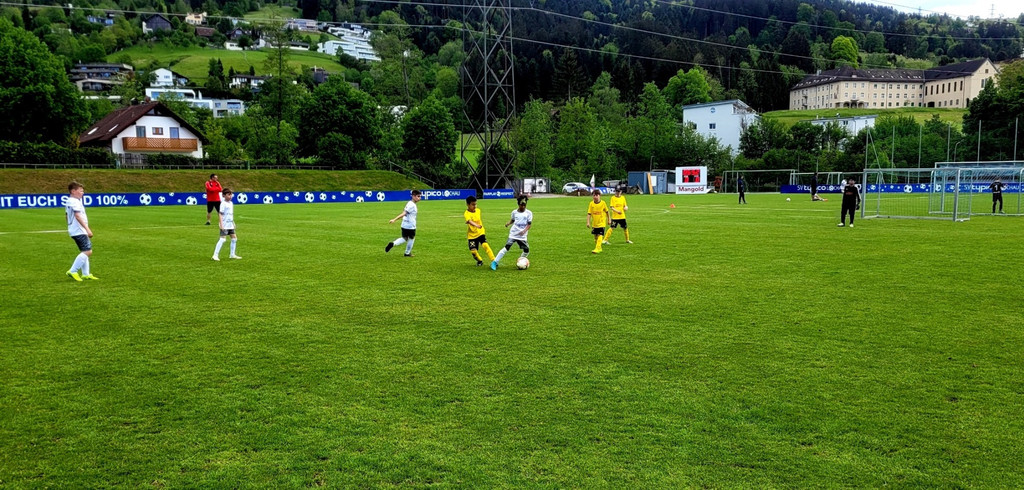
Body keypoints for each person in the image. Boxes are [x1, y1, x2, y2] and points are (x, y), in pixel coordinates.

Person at [65, 181, 98, 281]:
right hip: (79, 230)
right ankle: (73, 270)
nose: (82, 193)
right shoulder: (74, 201)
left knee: (84, 251)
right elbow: (77, 215)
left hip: (75, 229)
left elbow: (66, 216)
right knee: (88, 251)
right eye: (81, 191)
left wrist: (70, 226)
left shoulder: (70, 201)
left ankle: (85, 274)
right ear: (73, 191)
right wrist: (87, 229)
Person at [490, 195, 532, 270]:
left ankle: (521, 261)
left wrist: (524, 231)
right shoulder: (514, 212)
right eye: (522, 205)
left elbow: (529, 225)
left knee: (526, 250)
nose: (523, 206)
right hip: (513, 233)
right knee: (507, 247)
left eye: (524, 205)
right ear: (518, 204)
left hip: (522, 236)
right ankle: (495, 262)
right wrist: (508, 223)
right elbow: (513, 220)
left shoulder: (529, 213)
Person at [386, 190, 421, 257]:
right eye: (418, 196)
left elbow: (404, 212)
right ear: (413, 196)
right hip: (410, 226)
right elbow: (404, 213)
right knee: (411, 238)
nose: (419, 198)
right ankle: (407, 253)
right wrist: (394, 219)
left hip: (404, 225)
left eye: (420, 196)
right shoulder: (412, 205)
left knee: (405, 238)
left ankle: (393, 243)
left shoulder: (409, 203)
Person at [464, 195, 496, 266]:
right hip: (471, 235)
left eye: (475, 204)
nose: (475, 206)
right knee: (473, 252)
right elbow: (469, 220)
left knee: (485, 245)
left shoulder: (478, 211)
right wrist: (476, 225)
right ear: (468, 205)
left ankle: (494, 260)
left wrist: (476, 225)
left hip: (480, 232)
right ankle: (479, 261)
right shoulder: (466, 213)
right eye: (473, 204)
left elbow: (470, 220)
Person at [212, 188, 241, 260]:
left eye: (231, 194)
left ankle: (232, 254)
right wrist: (221, 224)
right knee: (222, 239)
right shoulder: (223, 204)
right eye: (228, 194)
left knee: (234, 239)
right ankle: (215, 255)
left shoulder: (231, 203)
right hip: (224, 224)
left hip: (230, 224)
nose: (230, 196)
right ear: (224, 196)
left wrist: (233, 222)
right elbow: (220, 214)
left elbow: (230, 214)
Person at [587, 189, 610, 254]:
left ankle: (597, 248)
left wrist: (609, 220)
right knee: (595, 237)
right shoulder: (591, 204)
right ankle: (599, 248)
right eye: (594, 195)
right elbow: (589, 213)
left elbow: (607, 212)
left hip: (601, 223)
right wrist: (588, 222)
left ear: (599, 196)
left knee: (600, 235)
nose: (595, 197)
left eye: (596, 195)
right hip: (595, 224)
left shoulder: (603, 203)